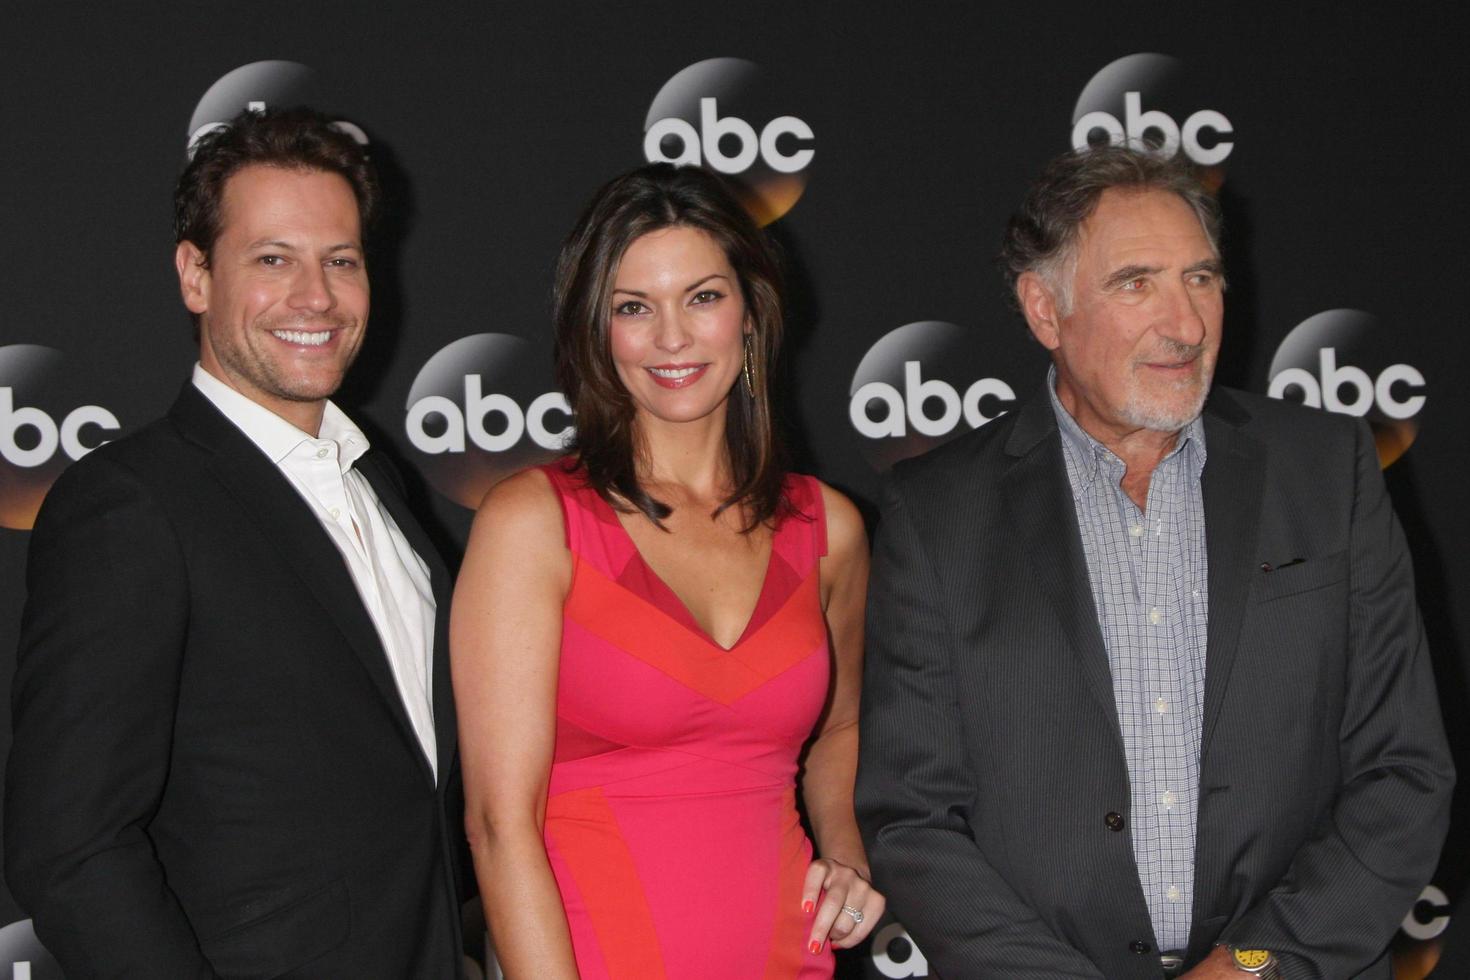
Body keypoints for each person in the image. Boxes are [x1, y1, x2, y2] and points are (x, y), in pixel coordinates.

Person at [855, 145, 1453, 979]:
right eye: (1136, 282)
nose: (1186, 323)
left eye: (1201, 279)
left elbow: (1403, 770)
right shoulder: (938, 512)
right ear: (1044, 311)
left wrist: (1252, 965)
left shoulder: (1327, 470)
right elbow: (912, 815)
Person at [4, 107, 465, 978]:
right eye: (272, 259)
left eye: (341, 261)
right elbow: (67, 845)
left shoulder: (378, 483)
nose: (315, 297)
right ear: (195, 275)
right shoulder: (132, 505)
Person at [451, 162, 883, 979]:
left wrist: (848, 857)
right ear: (595, 329)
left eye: (704, 297)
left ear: (752, 313)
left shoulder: (829, 528)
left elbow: (841, 730)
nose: (673, 337)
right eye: (633, 307)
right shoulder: (534, 523)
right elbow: (498, 824)